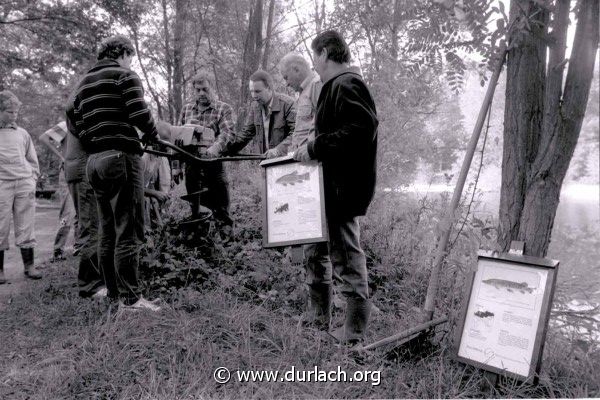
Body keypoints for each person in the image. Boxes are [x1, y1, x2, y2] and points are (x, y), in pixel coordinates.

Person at [293, 31, 378, 344]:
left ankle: (353, 332)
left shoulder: (347, 84)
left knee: (345, 255)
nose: (314, 63)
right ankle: (319, 316)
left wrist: (315, 146)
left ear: (325, 53)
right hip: (329, 187)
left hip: (344, 189)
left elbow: (361, 129)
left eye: (315, 56)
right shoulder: (334, 86)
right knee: (319, 250)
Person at [69, 35, 161, 311]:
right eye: (130, 56)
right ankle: (132, 299)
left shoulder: (83, 83)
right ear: (122, 53)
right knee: (128, 228)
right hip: (121, 157)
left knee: (107, 230)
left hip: (94, 161)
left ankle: (113, 294)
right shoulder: (124, 75)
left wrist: (93, 140)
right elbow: (138, 113)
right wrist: (153, 135)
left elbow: (75, 120)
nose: (131, 62)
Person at [263, 52, 334, 330]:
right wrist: (279, 152)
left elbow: (324, 131)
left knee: (317, 249)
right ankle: (315, 313)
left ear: (296, 69)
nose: (285, 82)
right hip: (300, 178)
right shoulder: (303, 95)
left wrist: (307, 149)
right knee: (307, 247)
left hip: (315, 177)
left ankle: (321, 318)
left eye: (286, 76)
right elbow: (296, 138)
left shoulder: (317, 87)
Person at [179, 71, 236, 240]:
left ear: (212, 88)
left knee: (220, 201)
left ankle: (225, 238)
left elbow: (228, 133)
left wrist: (215, 148)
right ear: (193, 90)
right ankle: (201, 236)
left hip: (214, 164)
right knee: (197, 203)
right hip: (192, 165)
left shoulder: (223, 109)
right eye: (197, 90)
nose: (201, 94)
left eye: (205, 89)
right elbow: (179, 137)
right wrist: (176, 167)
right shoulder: (187, 109)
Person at [64, 106, 106, 298]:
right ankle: (90, 286)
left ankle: (96, 280)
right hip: (83, 169)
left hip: (78, 168)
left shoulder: (78, 101)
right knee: (92, 228)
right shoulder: (82, 104)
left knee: (91, 226)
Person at [0, 90, 42, 283]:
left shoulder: (22, 134)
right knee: (0, 226)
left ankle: (29, 267)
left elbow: (32, 160)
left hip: (24, 183)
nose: (14, 115)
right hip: (2, 185)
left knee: (26, 224)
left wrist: (32, 179)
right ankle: (0, 271)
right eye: (9, 111)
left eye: (16, 112)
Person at [207, 69, 296, 157]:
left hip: (287, 161)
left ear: (269, 88)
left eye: (257, 91)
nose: (253, 95)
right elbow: (246, 134)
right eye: (251, 91)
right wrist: (222, 149)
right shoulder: (255, 107)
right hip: (266, 163)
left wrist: (278, 150)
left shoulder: (288, 104)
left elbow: (296, 134)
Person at [39, 121, 79, 261]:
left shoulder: (88, 121)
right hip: (68, 171)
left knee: (82, 211)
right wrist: (61, 157)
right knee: (67, 211)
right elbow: (44, 137)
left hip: (84, 172)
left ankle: (79, 246)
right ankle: (58, 249)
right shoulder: (66, 124)